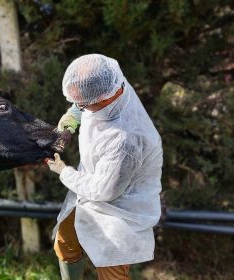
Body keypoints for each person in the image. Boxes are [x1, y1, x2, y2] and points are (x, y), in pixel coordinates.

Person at [46, 54, 163, 280]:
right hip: (90, 187)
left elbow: (103, 191)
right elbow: (85, 97)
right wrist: (73, 116)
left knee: (111, 273)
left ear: (103, 96)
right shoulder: (112, 82)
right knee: (64, 243)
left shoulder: (127, 138)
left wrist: (64, 171)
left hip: (121, 210)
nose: (80, 106)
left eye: (83, 104)